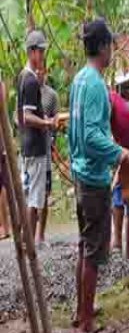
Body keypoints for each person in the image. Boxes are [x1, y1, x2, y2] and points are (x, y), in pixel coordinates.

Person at [68, 18, 127, 333]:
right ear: (103, 46)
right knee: (93, 250)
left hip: (80, 174)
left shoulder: (79, 80)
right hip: (92, 178)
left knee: (84, 246)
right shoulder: (93, 84)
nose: (112, 49)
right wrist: (120, 154)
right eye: (111, 44)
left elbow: (76, 132)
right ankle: (86, 325)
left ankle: (82, 310)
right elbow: (91, 136)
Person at [16, 30, 55, 244]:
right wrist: (47, 122)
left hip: (26, 145)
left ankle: (26, 239)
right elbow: (27, 116)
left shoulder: (22, 77)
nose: (42, 55)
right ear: (32, 52)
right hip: (36, 148)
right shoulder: (30, 81)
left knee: (29, 193)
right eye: (40, 51)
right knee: (35, 200)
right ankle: (29, 242)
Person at [109, 87, 129, 260]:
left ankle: (127, 252)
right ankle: (117, 243)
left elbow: (127, 153)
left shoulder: (121, 118)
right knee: (117, 199)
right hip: (125, 152)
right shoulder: (109, 97)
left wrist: (117, 176)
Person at [38, 68, 59, 245]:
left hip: (44, 150)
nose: (38, 73)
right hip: (29, 150)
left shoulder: (51, 95)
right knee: (29, 193)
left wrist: (52, 139)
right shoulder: (26, 90)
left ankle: (41, 234)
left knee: (45, 193)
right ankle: (28, 234)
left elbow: (56, 121)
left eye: (41, 70)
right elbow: (17, 118)